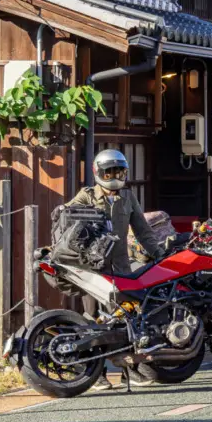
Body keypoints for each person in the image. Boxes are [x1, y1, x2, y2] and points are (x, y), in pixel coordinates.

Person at [66, 148, 161, 389]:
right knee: (93, 319)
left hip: (120, 268)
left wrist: (160, 253)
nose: (114, 176)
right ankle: (95, 373)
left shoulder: (128, 197)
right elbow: (66, 220)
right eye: (108, 173)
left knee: (127, 316)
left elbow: (143, 230)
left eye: (118, 171)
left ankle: (131, 370)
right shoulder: (85, 196)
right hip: (91, 269)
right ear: (97, 173)